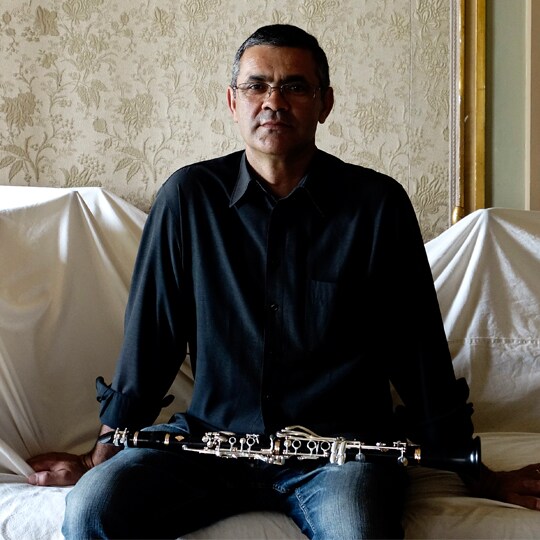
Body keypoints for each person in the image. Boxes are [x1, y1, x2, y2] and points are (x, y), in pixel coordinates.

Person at [27, 24, 540, 539]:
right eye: (256, 86)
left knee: (356, 531)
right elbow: (150, 346)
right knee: (92, 509)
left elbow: (418, 354)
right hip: (211, 445)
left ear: (325, 103)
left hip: (338, 457)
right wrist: (98, 459)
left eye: (294, 86)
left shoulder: (378, 205)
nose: (273, 101)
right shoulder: (188, 198)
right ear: (233, 101)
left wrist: (479, 475)